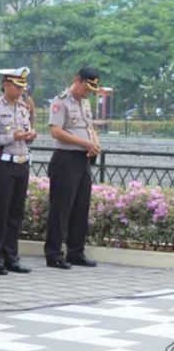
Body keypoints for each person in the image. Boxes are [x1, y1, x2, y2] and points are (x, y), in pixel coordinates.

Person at [0, 67, 37, 275]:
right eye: (16, 86)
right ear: (5, 84)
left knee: (15, 213)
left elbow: (24, 132)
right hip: (1, 164)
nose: (20, 90)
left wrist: (29, 136)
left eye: (22, 86)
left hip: (21, 162)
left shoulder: (22, 108)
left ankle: (11, 256)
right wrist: (11, 137)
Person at [44, 67, 102, 269]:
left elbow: (89, 126)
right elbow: (56, 132)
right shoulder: (60, 101)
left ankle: (76, 252)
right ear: (77, 80)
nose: (89, 92)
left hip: (82, 159)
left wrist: (94, 141)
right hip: (65, 159)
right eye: (87, 87)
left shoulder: (84, 102)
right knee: (61, 209)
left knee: (81, 207)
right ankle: (54, 254)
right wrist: (85, 143)